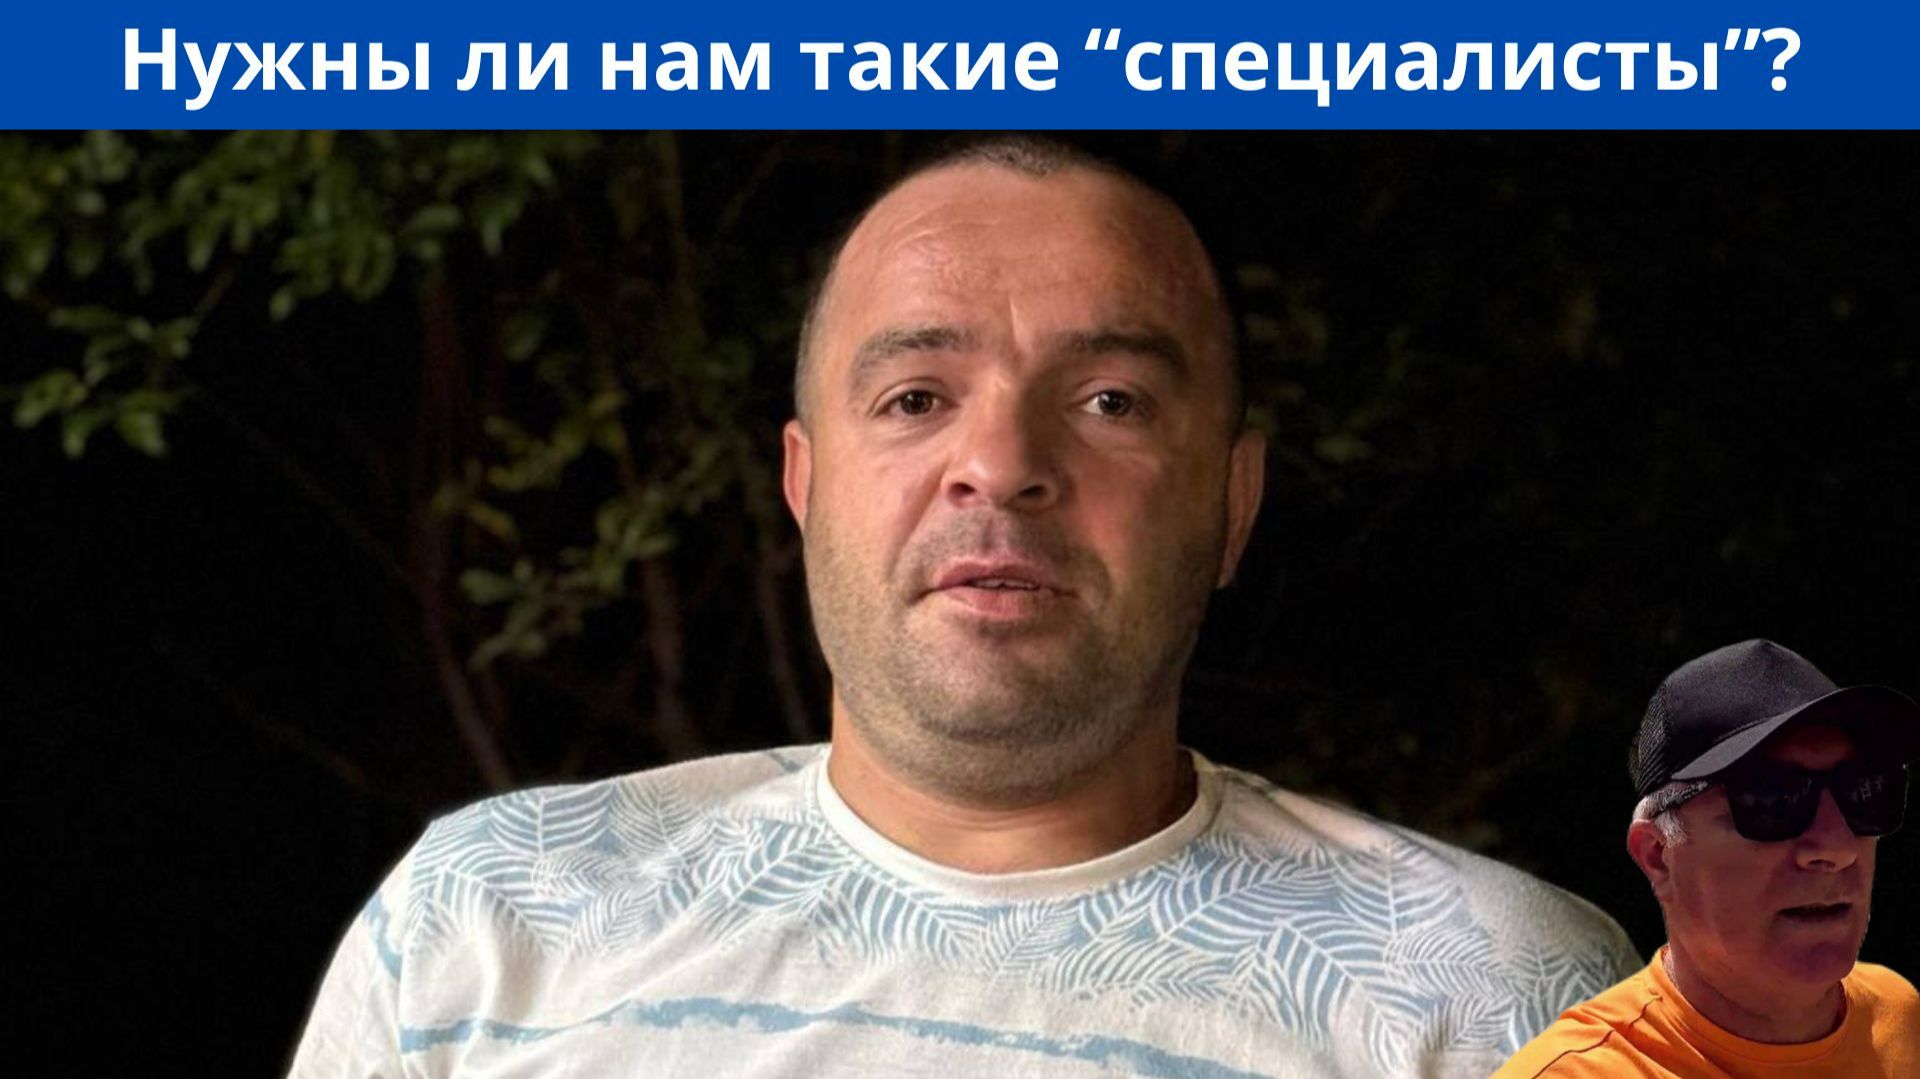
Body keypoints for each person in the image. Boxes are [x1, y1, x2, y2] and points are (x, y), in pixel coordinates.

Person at [289, 137, 1638, 1078]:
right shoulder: (488, 920)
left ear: (1233, 502)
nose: (1000, 462)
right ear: (805, 483)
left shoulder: (1500, 994)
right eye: (915, 395)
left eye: (1110, 398)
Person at [1498, 638, 1920, 1077]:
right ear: (1659, 856)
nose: (1837, 848)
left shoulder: (1898, 1017)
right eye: (1772, 799)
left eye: (1863, 792)